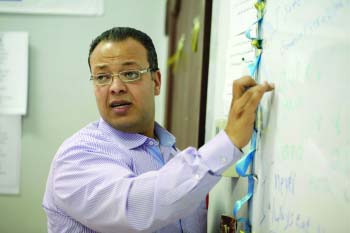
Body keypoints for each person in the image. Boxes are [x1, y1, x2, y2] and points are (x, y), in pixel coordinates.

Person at [42, 27, 274, 233]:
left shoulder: (171, 155)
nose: (115, 88)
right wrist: (228, 140)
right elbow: (136, 208)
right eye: (102, 77)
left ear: (156, 82)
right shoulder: (77, 156)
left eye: (130, 74)